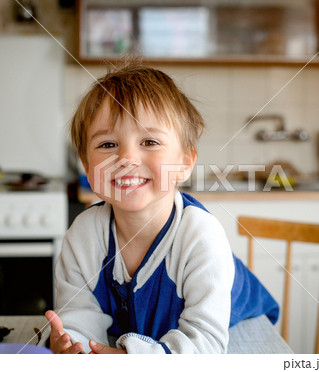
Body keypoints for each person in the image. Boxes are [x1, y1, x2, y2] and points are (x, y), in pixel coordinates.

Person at [42, 61, 279, 354]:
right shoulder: (83, 236)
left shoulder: (201, 237)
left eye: (149, 141)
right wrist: (72, 343)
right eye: (107, 145)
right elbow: (80, 315)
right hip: (149, 334)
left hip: (238, 325)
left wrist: (136, 358)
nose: (127, 158)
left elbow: (204, 343)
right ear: (88, 167)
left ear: (185, 163)